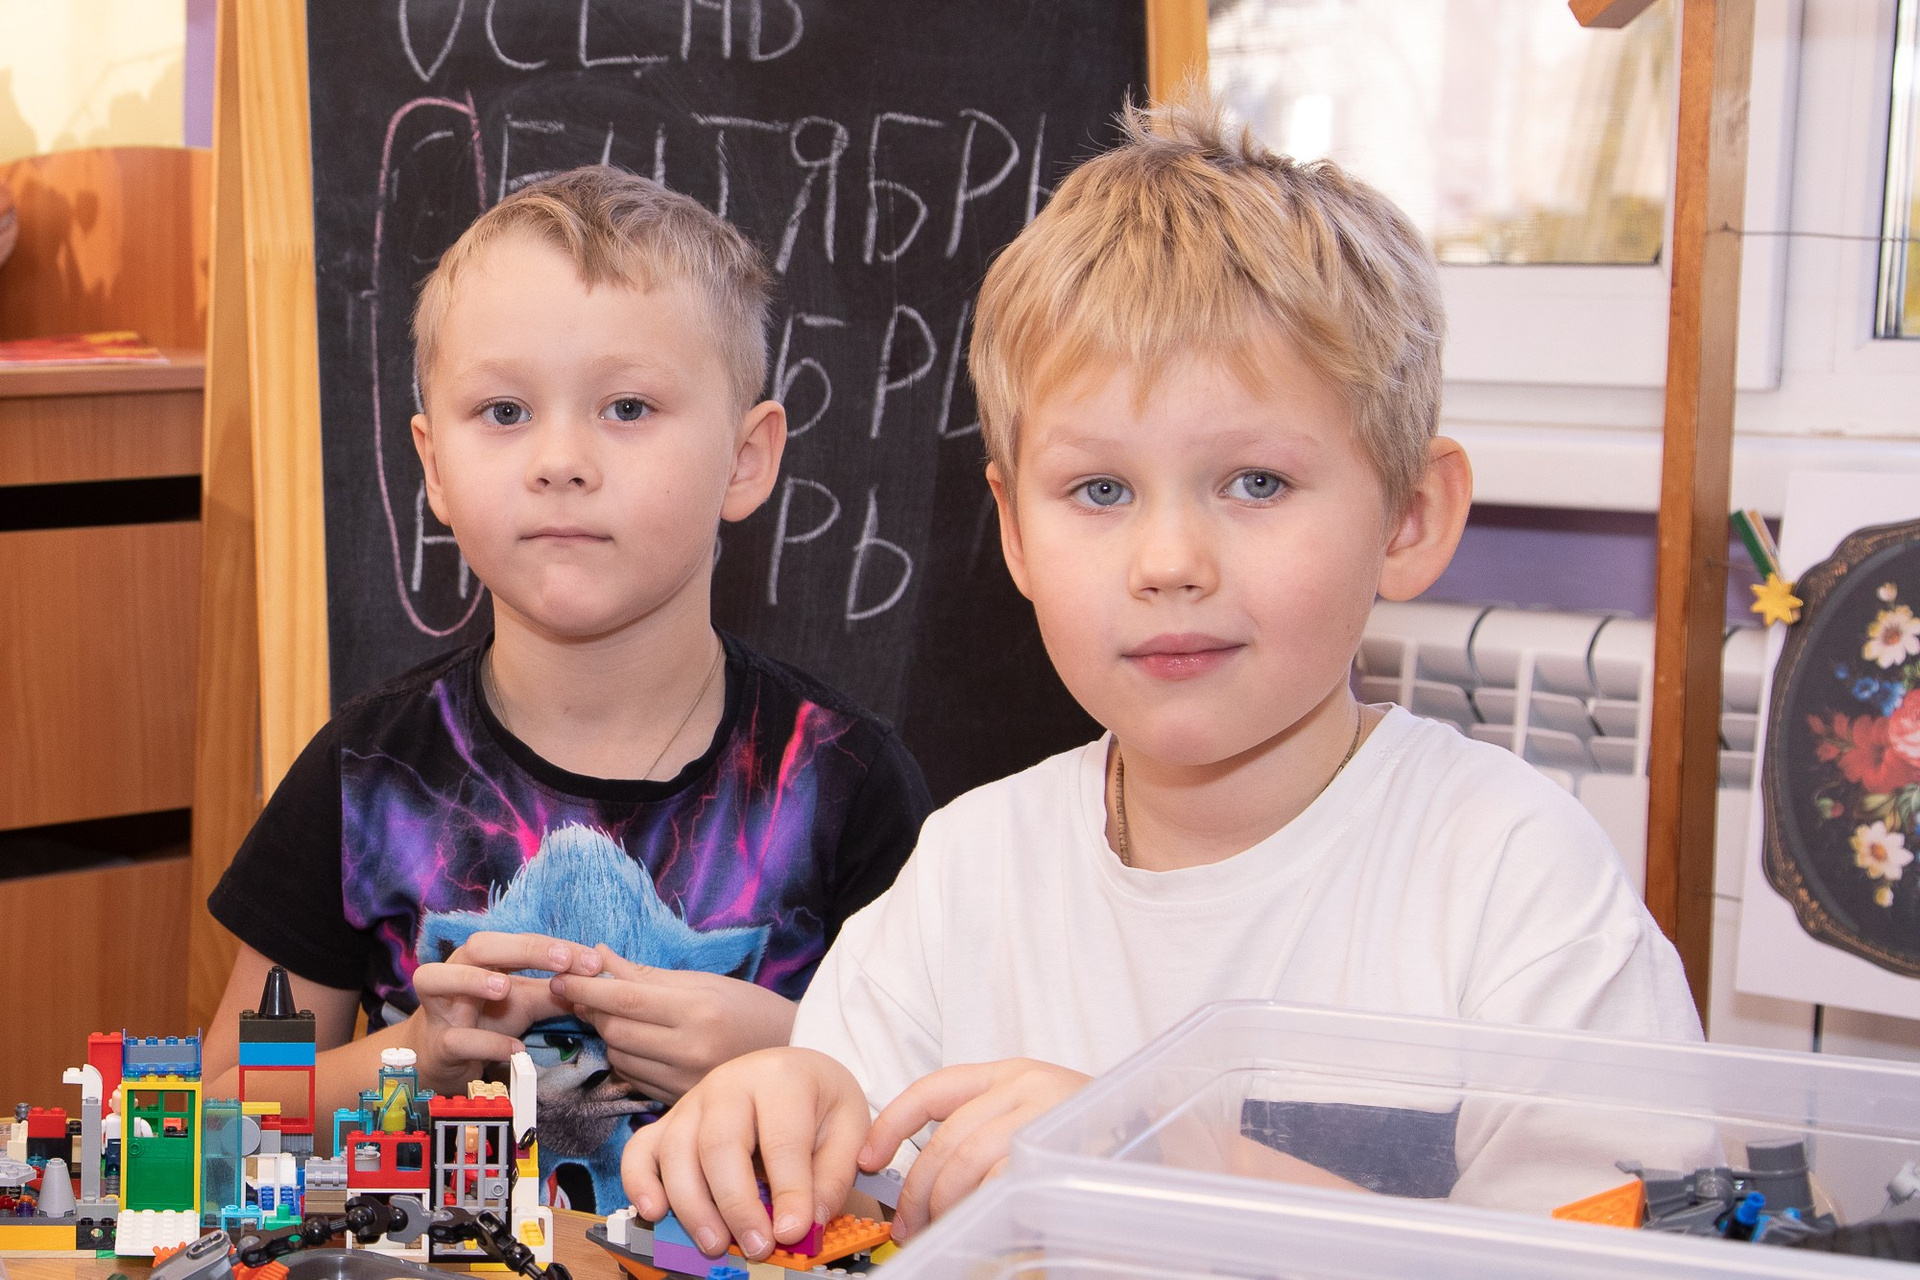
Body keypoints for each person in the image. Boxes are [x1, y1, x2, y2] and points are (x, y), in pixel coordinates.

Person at [618, 96, 1702, 1262]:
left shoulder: (1513, 882)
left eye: (1255, 483)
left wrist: (1166, 1163)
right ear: (1016, 534)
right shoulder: (967, 875)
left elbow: (1626, 1248)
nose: (1170, 561)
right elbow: (854, 1165)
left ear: (1409, 516)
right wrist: (776, 1116)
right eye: (1100, 490)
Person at [200, 167, 931, 1213]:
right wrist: (416, 1055)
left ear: (746, 457)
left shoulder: (845, 784)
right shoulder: (365, 778)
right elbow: (223, 1117)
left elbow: (937, 1143)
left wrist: (790, 1048)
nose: (559, 459)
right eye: (503, 410)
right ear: (434, 467)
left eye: (627, 407)